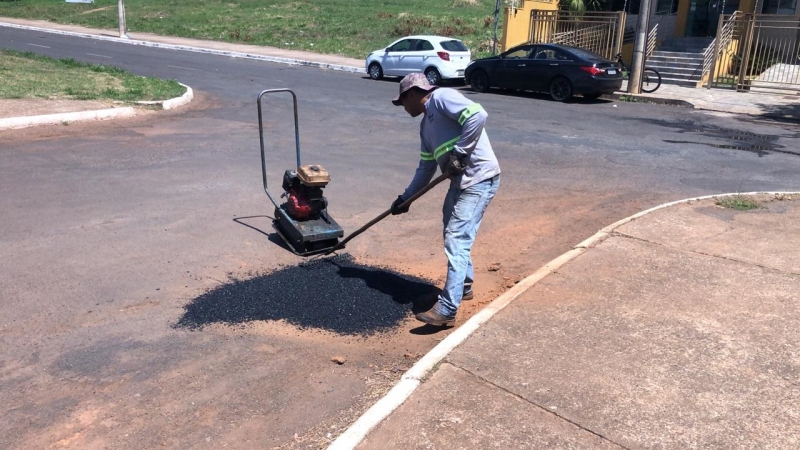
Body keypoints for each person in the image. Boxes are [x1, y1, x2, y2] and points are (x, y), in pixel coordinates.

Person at [390, 72, 501, 326]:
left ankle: (448, 309)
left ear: (413, 94)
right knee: (450, 229)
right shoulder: (425, 127)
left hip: (479, 179)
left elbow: (478, 115)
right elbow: (425, 168)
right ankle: (464, 285)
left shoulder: (441, 98)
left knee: (456, 238)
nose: (403, 107)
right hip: (459, 184)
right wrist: (405, 199)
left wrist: (460, 153)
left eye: (402, 101)